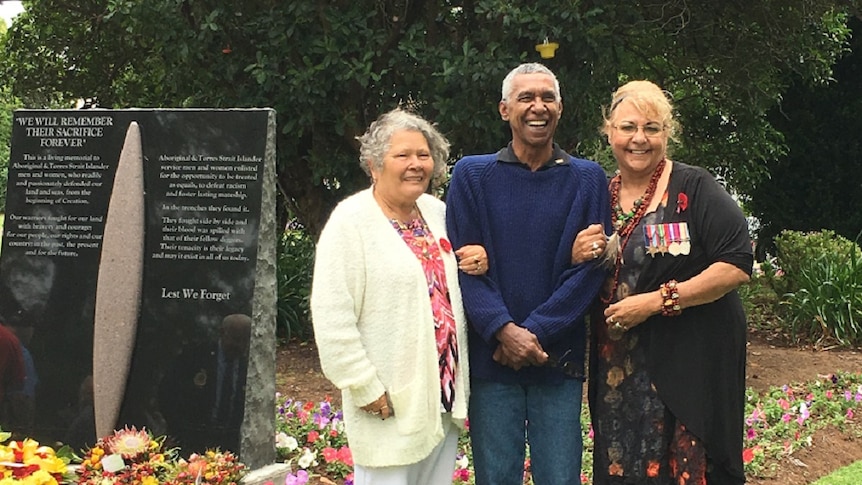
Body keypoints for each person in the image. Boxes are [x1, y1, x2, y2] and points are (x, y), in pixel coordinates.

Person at [573, 80, 753, 484]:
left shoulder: (694, 187)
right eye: (628, 127)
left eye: (652, 128)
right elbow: (575, 272)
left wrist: (657, 302)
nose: (639, 138)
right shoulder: (598, 194)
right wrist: (575, 253)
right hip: (620, 367)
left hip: (690, 361)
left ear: (667, 134)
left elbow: (737, 262)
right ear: (609, 132)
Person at [445, 63, 610, 484]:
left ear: (560, 108)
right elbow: (464, 269)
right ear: (504, 110)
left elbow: (589, 272)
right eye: (526, 98)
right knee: (496, 476)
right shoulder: (472, 176)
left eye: (547, 97)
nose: (538, 107)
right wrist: (503, 330)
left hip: (557, 360)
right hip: (491, 361)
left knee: (561, 476)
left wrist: (531, 333)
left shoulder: (588, 179)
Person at [311, 108, 486, 485]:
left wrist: (478, 260)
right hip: (387, 402)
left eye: (423, 155)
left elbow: (456, 279)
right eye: (402, 155)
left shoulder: (438, 213)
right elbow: (331, 315)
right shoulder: (351, 222)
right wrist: (363, 385)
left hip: (441, 397)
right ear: (374, 165)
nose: (416, 165)